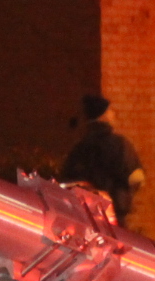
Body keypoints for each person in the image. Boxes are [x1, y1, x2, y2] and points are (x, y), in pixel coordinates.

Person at [59, 94, 145, 223]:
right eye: (110, 111)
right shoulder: (119, 145)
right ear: (103, 115)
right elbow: (136, 178)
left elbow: (67, 182)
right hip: (113, 217)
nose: (113, 114)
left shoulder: (79, 149)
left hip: (84, 217)